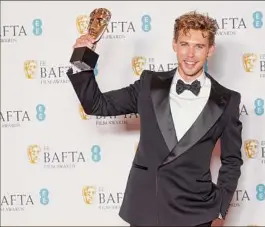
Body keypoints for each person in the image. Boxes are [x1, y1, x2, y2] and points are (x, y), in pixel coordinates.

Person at [67, 11, 243, 227]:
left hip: (196, 212)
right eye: (184, 44)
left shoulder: (227, 100)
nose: (190, 54)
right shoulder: (149, 85)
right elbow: (96, 105)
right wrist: (81, 57)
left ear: (210, 50)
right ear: (174, 45)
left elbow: (232, 161)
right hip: (147, 207)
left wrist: (220, 209)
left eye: (199, 46)